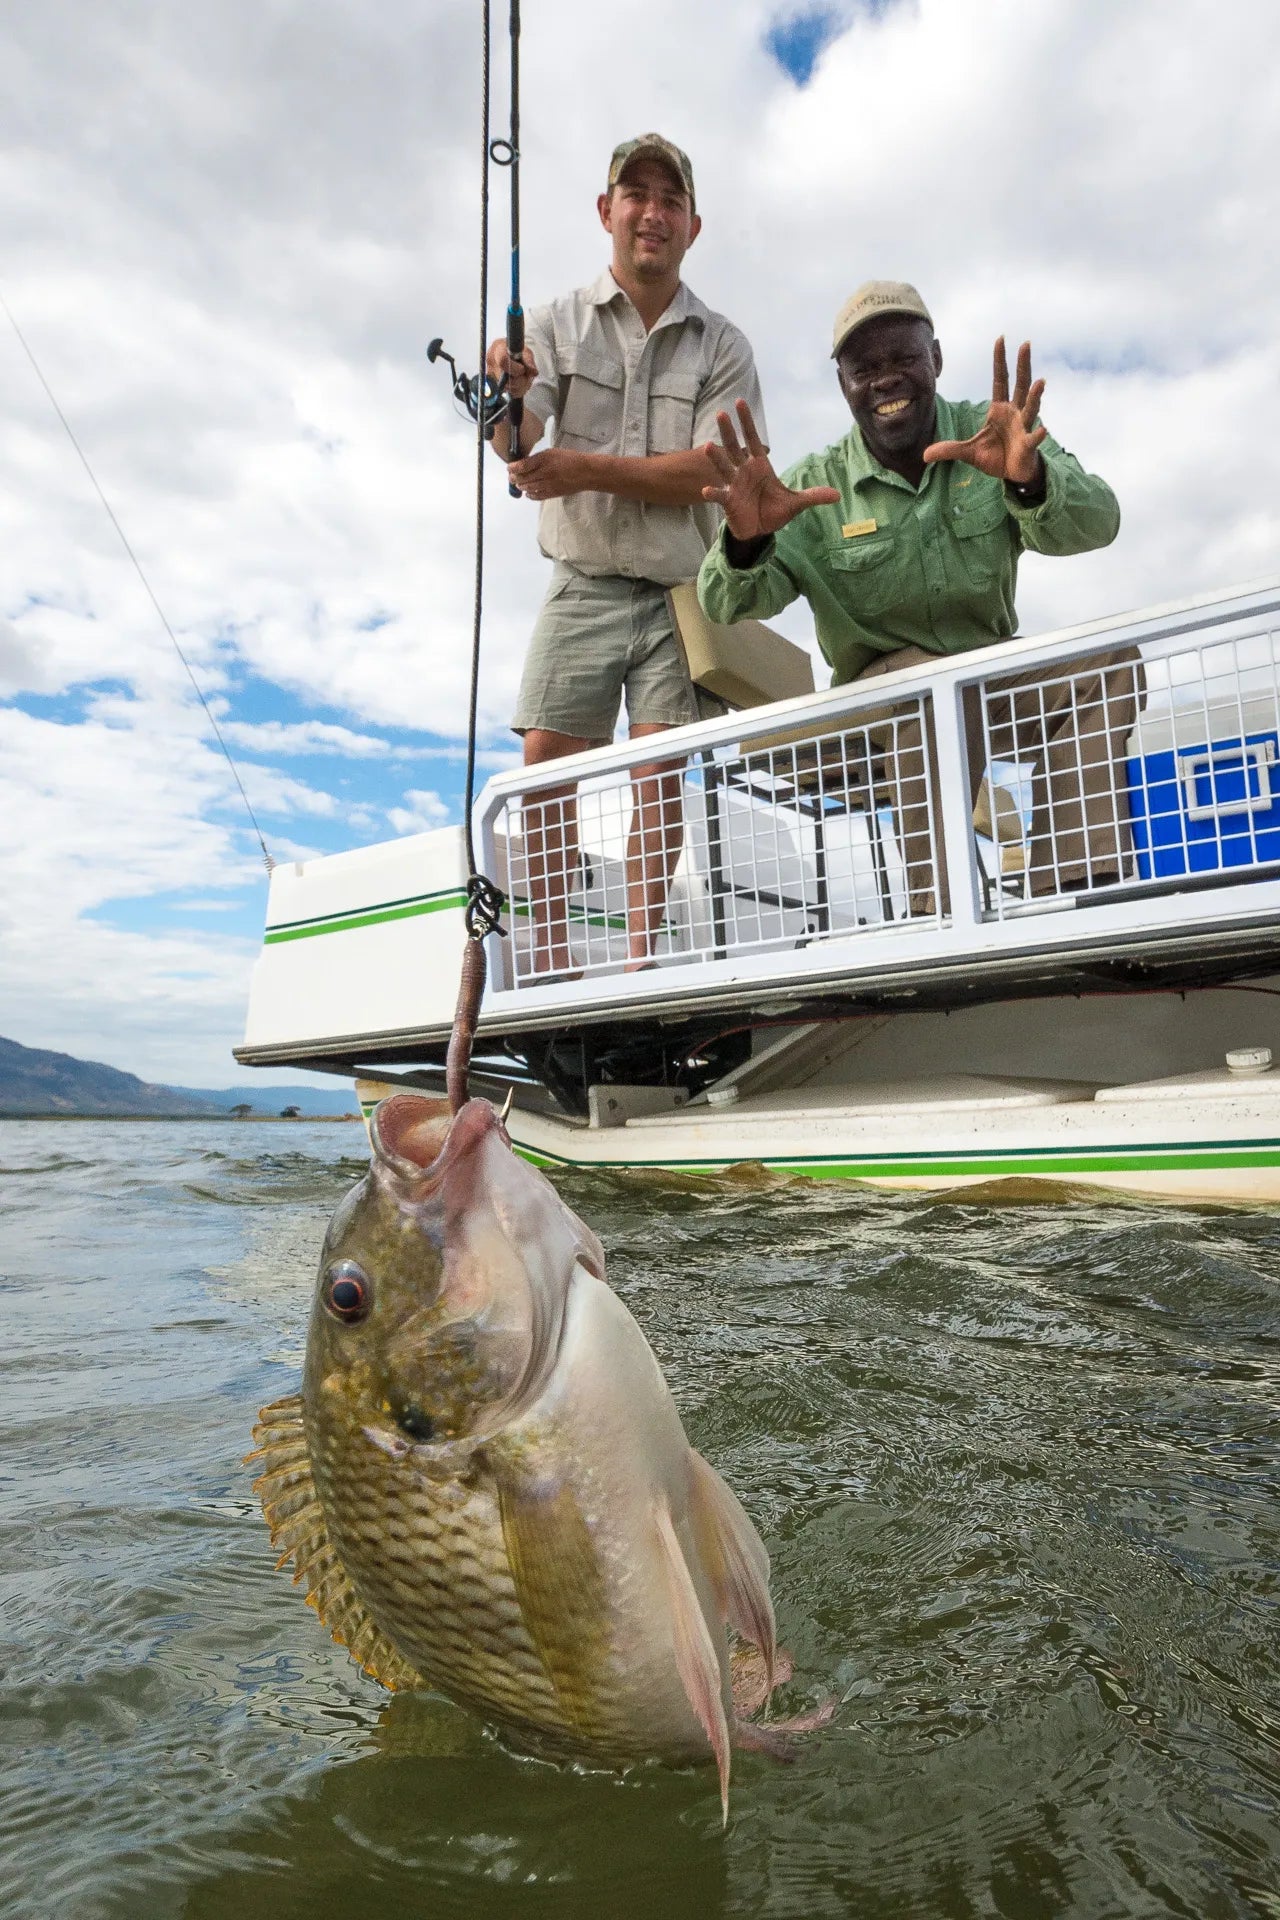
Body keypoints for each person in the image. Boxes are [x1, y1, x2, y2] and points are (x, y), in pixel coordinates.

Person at [696, 281, 1140, 913]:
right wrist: (743, 542)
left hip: (984, 681)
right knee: (921, 683)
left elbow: (1102, 522)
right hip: (871, 704)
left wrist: (1031, 478)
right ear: (843, 385)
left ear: (935, 358)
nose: (886, 379)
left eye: (903, 359)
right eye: (864, 368)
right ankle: (945, 909)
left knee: (1106, 664)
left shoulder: (999, 432)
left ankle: (1075, 886)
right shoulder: (811, 484)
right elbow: (722, 603)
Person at [486, 134, 767, 975]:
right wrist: (505, 401)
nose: (653, 212)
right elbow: (518, 440)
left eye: (670, 199)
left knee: (658, 769)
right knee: (543, 763)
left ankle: (641, 962)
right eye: (635, 194)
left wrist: (579, 467)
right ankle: (556, 960)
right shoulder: (553, 323)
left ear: (694, 225)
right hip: (581, 579)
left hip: (683, 589)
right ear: (606, 211)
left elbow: (715, 474)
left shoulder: (725, 344)